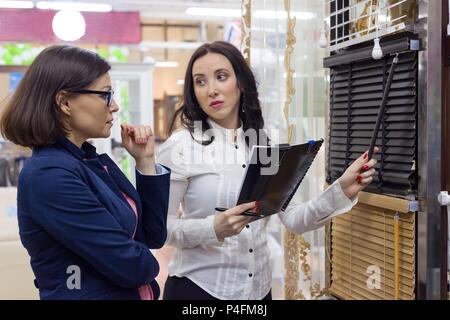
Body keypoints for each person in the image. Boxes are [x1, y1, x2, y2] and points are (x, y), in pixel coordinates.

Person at [157, 41, 378, 300]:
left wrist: (341, 189)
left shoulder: (262, 146)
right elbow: (162, 229)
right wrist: (213, 228)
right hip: (199, 291)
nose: (212, 90)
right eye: (200, 82)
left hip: (259, 292)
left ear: (240, 82)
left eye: (221, 77)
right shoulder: (181, 146)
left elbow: (294, 218)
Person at [0, 45, 170, 300]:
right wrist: (147, 258)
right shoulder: (49, 175)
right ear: (65, 102)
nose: (114, 106)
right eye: (105, 95)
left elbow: (152, 235)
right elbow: (133, 266)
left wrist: (145, 162)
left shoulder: (90, 161)